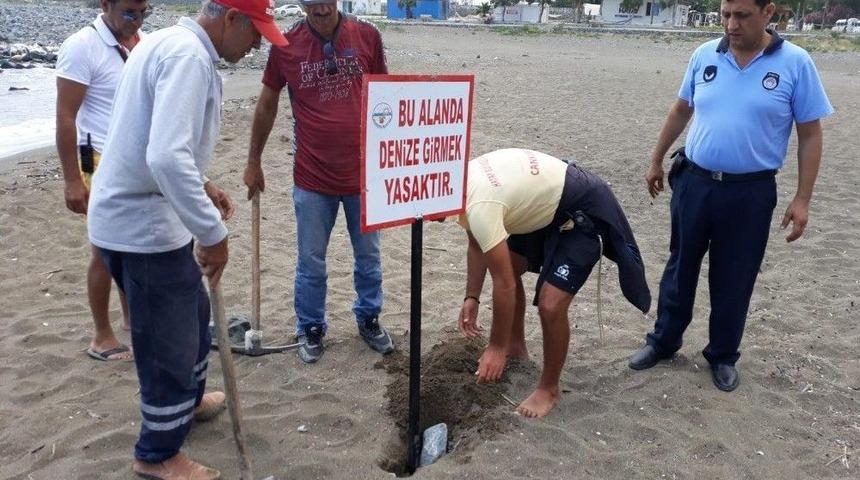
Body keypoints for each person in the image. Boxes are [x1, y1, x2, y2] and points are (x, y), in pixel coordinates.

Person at [87, 1, 287, 477]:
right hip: (141, 229)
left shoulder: (164, 43)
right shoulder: (188, 58)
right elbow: (164, 156)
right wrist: (212, 234)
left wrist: (202, 186)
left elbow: (146, 139)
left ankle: (189, 403)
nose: (257, 44)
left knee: (193, 318)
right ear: (230, 19)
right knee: (167, 342)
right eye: (255, 32)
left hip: (139, 217)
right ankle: (156, 454)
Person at [628, 0, 833, 392]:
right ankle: (663, 342)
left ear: (768, 12)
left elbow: (810, 134)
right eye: (725, 15)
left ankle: (722, 355)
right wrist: (655, 160)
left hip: (750, 192)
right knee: (679, 266)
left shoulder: (796, 63)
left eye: (742, 15)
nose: (731, 24)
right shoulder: (705, 54)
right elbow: (680, 110)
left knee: (734, 277)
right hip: (695, 182)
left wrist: (802, 198)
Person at [243, 0, 392, 364]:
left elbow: (388, 98)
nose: (320, 8)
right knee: (311, 260)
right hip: (312, 177)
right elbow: (266, 103)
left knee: (369, 256)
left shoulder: (368, 35)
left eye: (327, 0)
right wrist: (253, 161)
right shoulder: (285, 43)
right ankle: (310, 326)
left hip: (363, 176)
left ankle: (369, 318)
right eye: (311, 2)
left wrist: (393, 163)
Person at [457, 148, 651, 418]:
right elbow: (476, 244)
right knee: (510, 266)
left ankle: (548, 389)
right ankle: (515, 346)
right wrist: (472, 297)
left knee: (551, 305)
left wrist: (494, 347)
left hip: (581, 206)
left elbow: (504, 286)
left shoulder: (479, 204)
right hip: (542, 206)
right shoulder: (458, 185)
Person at [55, 0, 150, 362]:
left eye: (144, 11)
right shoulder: (82, 46)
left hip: (130, 160)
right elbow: (66, 117)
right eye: (129, 12)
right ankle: (101, 336)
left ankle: (130, 321)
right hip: (94, 160)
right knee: (105, 250)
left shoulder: (141, 41)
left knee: (130, 246)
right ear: (105, 5)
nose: (137, 19)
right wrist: (71, 181)